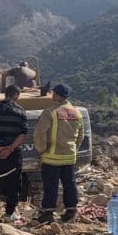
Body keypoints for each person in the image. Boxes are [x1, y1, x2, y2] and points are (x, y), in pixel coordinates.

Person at [32, 83, 84, 224]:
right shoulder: (76, 113)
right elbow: (80, 136)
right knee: (70, 184)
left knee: (51, 185)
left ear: (56, 94)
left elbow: (39, 133)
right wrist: (74, 149)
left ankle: (48, 213)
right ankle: (71, 211)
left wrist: (42, 149)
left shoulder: (50, 112)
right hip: (69, 156)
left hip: (52, 157)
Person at [0, 84, 28, 223]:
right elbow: (23, 134)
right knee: (14, 183)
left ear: (5, 93)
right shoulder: (20, 111)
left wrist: (1, 148)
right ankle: (9, 214)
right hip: (14, 153)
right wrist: (10, 148)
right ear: (16, 95)